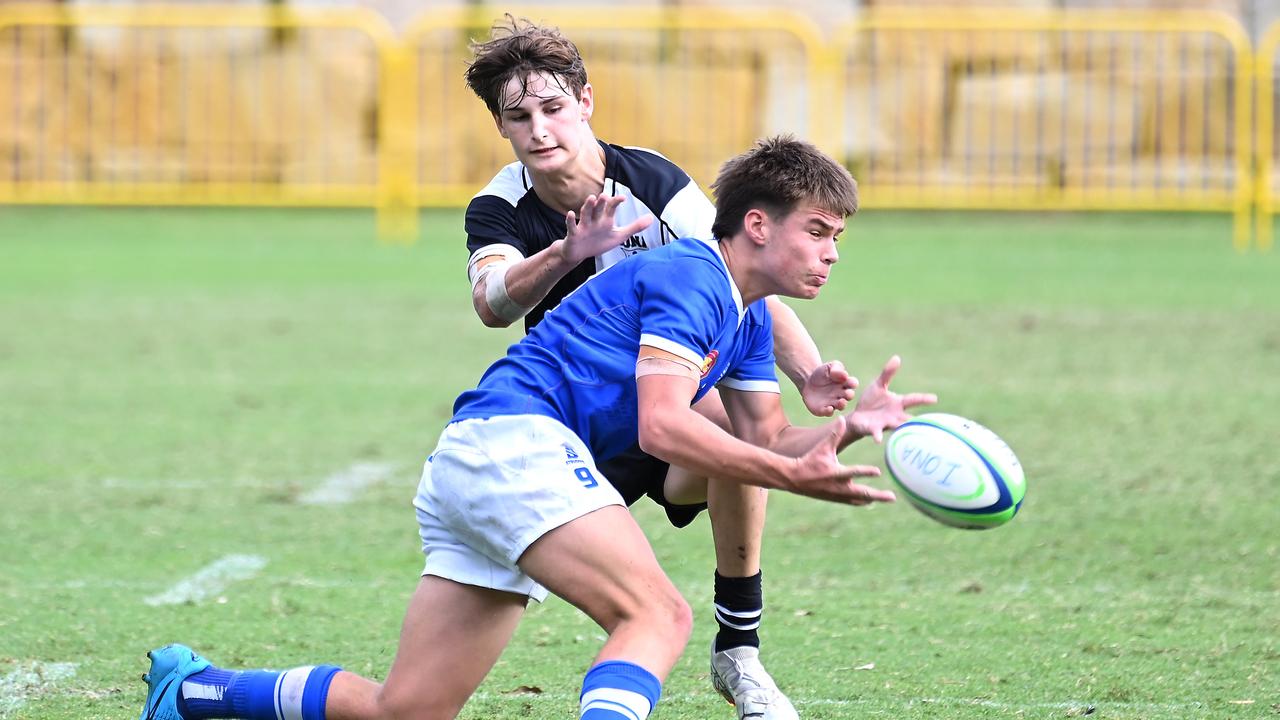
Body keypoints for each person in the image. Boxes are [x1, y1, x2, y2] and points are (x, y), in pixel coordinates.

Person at [137, 135, 936, 720]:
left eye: (837, 238)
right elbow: (664, 430)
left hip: (488, 465)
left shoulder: (750, 318)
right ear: (758, 225)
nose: (832, 254)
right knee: (657, 616)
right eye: (821, 232)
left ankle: (195, 690)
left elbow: (760, 445)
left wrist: (853, 430)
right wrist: (791, 475)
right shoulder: (692, 277)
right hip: (516, 448)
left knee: (403, 711)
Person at [460, 18, 860, 718]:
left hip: (658, 395)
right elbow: (491, 303)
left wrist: (808, 375)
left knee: (738, 442)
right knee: (433, 674)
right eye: (518, 117)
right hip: (567, 424)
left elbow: (748, 276)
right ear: (501, 126)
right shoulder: (500, 206)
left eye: (553, 108)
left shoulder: (650, 179)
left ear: (586, 102)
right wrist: (567, 250)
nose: (540, 129)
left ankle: (739, 650)